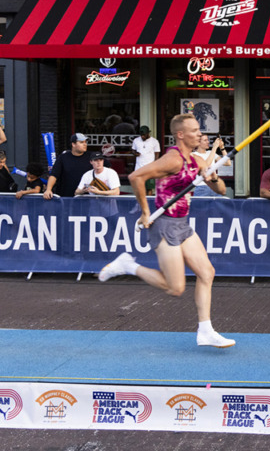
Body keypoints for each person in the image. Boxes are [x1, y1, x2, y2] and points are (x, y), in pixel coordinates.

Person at [100, 113, 234, 348]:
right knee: (175, 288)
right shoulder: (173, 159)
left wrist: (210, 178)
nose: (199, 134)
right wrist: (144, 211)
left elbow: (221, 189)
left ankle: (206, 330)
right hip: (164, 225)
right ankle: (128, 265)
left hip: (183, 224)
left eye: (199, 130)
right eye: (194, 130)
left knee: (206, 272)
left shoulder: (198, 161)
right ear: (180, 134)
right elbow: (136, 177)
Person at [44, 133, 93, 198]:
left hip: (87, 197)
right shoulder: (63, 157)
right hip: (66, 198)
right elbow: (54, 175)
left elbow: (105, 170)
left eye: (85, 142)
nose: (85, 144)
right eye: (81, 142)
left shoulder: (91, 157)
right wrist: (48, 189)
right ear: (73, 144)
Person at [132, 125, 161, 195]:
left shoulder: (154, 141)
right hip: (139, 168)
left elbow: (157, 154)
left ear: (148, 133)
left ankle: (148, 202)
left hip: (149, 168)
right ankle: (141, 204)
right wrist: (135, 153)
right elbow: (133, 150)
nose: (142, 136)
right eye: (141, 135)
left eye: (144, 135)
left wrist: (155, 165)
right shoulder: (136, 140)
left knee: (149, 187)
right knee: (140, 187)